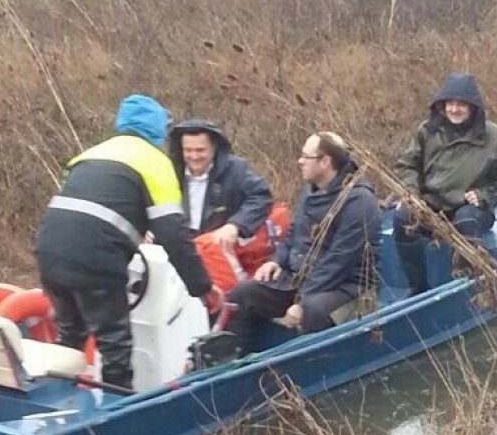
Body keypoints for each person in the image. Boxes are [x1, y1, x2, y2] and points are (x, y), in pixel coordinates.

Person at [34, 94, 221, 389]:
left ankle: (61, 404)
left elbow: (92, 207)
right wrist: (202, 287)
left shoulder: (89, 155)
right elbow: (174, 234)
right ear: (157, 130)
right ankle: (115, 418)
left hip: (49, 251)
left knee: (69, 336)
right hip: (95, 258)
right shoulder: (155, 163)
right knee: (115, 345)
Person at [225, 132, 380, 353]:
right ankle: (237, 360)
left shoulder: (359, 201)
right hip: (303, 277)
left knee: (312, 310)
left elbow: (339, 262)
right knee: (241, 293)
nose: (299, 161)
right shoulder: (310, 190)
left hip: (347, 284)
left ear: (325, 162)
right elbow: (293, 234)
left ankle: (317, 367)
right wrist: (276, 261)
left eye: (305, 157)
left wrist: (301, 301)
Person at [393, 71, 497, 295]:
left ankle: (464, 285)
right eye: (449, 104)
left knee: (466, 221)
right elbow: (407, 165)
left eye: (461, 104)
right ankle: (418, 286)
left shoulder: (495, 137)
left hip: (470, 209)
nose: (454, 109)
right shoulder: (427, 131)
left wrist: (484, 196)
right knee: (402, 218)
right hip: (430, 205)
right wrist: (412, 195)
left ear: (473, 107)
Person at [168, 119, 285, 291]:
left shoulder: (236, 169)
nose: (194, 156)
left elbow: (261, 197)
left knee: (226, 298)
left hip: (219, 248)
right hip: (180, 246)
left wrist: (235, 225)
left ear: (214, 148)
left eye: (200, 150)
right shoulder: (169, 171)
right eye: (188, 150)